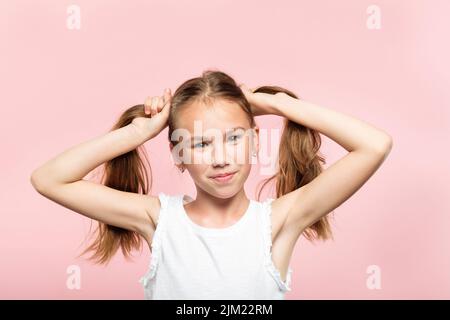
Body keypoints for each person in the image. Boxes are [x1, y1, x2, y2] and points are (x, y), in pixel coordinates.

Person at [30, 70, 393, 299]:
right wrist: (138, 132)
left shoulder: (279, 221)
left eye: (234, 138)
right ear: (178, 155)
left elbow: (375, 145)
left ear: (254, 140)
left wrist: (276, 104)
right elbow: (48, 179)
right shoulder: (159, 219)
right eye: (200, 143)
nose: (220, 158)